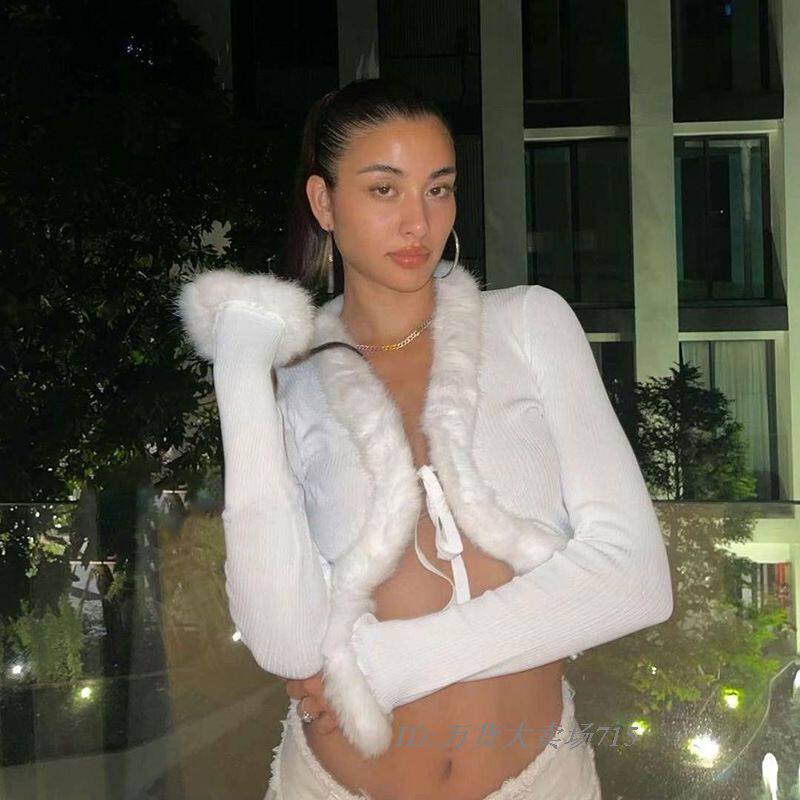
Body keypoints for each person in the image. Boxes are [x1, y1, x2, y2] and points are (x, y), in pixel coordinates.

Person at [176, 78, 673, 800]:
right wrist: (243, 375)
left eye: (438, 189)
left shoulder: (530, 324)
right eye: (385, 190)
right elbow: (286, 644)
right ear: (324, 202)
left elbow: (637, 581)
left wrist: (385, 664)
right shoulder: (292, 379)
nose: (419, 221)